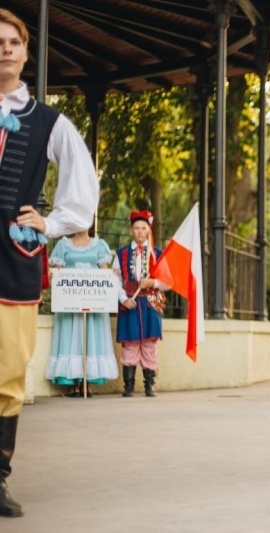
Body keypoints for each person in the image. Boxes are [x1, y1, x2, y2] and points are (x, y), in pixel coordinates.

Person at [0, 8, 99, 518]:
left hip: (13, 253)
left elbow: (80, 182)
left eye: (13, 41)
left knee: (9, 368)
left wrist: (51, 221)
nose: (5, 48)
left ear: (24, 51)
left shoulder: (48, 121)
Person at [45, 229, 118, 397]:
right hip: (70, 302)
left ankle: (86, 380)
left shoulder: (100, 245)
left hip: (93, 301)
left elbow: (105, 271)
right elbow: (57, 273)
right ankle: (71, 382)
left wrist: (112, 276)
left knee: (89, 337)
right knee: (71, 337)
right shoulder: (63, 245)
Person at [113, 209, 166, 398]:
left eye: (143, 228)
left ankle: (149, 385)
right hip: (131, 303)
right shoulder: (121, 254)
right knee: (130, 343)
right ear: (131, 230)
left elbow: (167, 282)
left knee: (149, 344)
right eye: (136, 228)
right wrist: (123, 299)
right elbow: (115, 281)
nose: (140, 231)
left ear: (148, 230)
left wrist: (152, 282)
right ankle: (128, 385)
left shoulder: (157, 254)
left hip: (150, 303)